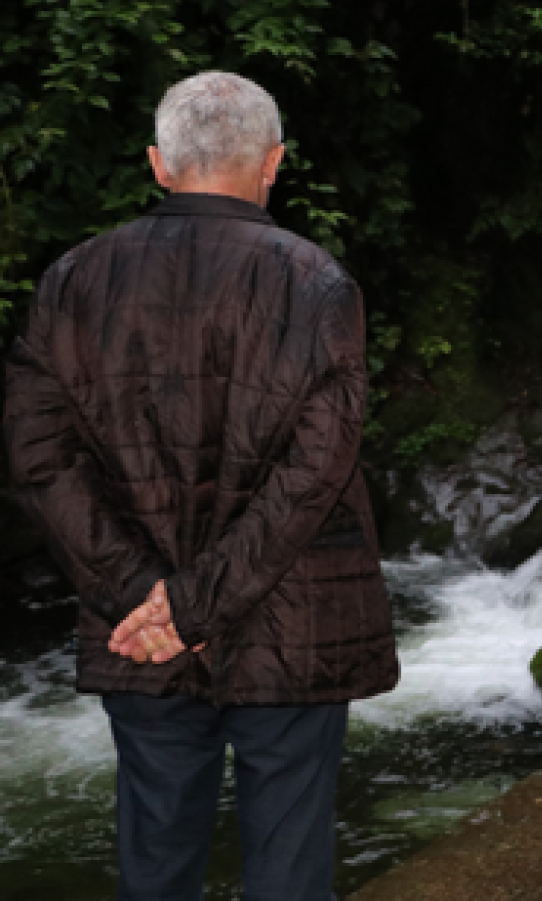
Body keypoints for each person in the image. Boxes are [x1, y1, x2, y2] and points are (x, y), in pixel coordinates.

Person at [2, 71, 399, 899]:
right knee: (289, 864)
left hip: (136, 629)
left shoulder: (72, 280)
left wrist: (152, 602)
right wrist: (197, 605)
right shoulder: (315, 282)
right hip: (289, 620)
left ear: (158, 162)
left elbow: (38, 456)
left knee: (156, 860)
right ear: (273, 162)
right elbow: (314, 472)